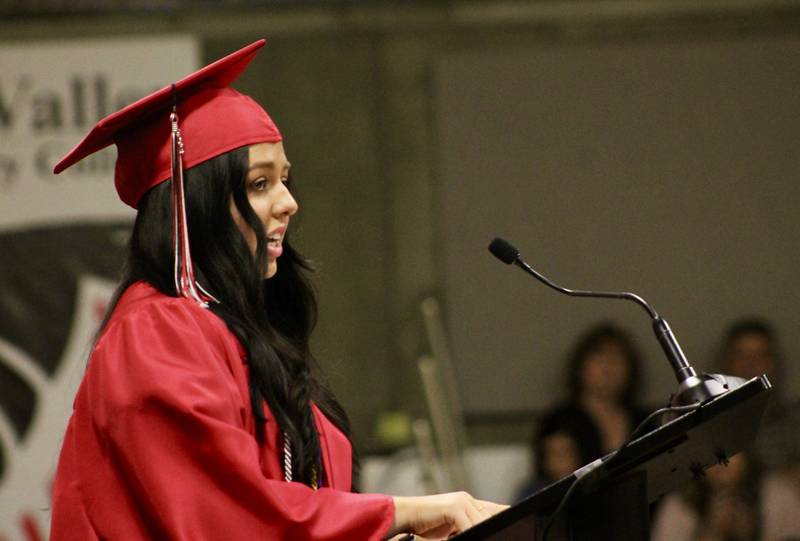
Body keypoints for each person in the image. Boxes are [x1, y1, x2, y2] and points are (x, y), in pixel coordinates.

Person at [49, 39, 505, 540]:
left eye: (284, 179)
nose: (289, 203)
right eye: (259, 184)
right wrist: (403, 512)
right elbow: (225, 516)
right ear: (194, 208)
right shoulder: (156, 332)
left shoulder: (236, 334)